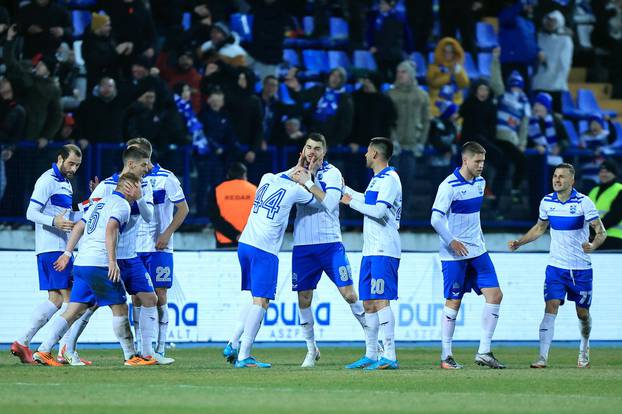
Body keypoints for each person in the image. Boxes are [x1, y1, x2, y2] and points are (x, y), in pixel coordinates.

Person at [32, 173, 157, 367]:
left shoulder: (99, 203)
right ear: (129, 187)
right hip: (99, 264)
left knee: (74, 309)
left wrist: (67, 253)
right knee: (120, 307)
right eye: (138, 187)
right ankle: (131, 357)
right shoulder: (122, 205)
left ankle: (44, 349)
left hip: (82, 262)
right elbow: (111, 229)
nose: (140, 191)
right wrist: (112, 261)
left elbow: (79, 226)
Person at [508, 163, 607, 368]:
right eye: (555, 175)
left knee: (582, 314)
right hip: (556, 267)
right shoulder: (547, 202)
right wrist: (520, 242)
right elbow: (539, 228)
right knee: (550, 306)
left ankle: (584, 348)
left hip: (581, 269)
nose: (557, 179)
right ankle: (542, 357)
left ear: (572, 180)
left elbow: (601, 231)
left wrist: (593, 245)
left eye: (562, 176)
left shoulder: (583, 203)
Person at [290, 133, 369, 368]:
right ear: (303, 151)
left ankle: (373, 342)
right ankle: (311, 349)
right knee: (304, 298)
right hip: (303, 246)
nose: (311, 152)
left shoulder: (332, 173)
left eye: (316, 148)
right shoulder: (295, 172)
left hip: (330, 244)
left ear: (324, 152)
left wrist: (308, 181)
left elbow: (331, 202)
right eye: (308, 147)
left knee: (349, 294)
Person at [430, 141, 506, 370]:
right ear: (465, 160)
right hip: (454, 255)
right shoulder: (449, 186)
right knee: (454, 301)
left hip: (478, 251)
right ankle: (446, 356)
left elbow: (474, 218)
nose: (481, 165)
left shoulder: (481, 183)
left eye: (483, 161)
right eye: (477, 161)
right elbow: (435, 219)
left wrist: (478, 240)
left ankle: (484, 351)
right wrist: (452, 240)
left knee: (495, 295)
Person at [232, 166, 316, 368]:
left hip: (245, 244)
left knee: (254, 298)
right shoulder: (296, 190)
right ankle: (244, 355)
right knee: (261, 301)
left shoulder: (266, 176)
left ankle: (233, 342)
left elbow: (286, 174)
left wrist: (296, 169)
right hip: (264, 248)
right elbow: (319, 202)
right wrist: (309, 181)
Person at [86, 147, 160, 362]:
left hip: (131, 256)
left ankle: (147, 353)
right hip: (107, 257)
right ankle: (66, 347)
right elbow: (89, 217)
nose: (148, 168)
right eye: (145, 164)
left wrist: (139, 198)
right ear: (131, 164)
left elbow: (149, 217)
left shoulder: (144, 186)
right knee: (88, 304)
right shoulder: (106, 186)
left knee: (149, 298)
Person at [10, 144, 81, 364]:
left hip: (52, 248)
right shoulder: (47, 180)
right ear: (59, 159)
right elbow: (30, 212)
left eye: (77, 165)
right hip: (53, 249)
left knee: (56, 299)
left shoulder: (65, 184)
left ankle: (22, 342)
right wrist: (54, 222)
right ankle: (61, 352)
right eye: (70, 163)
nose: (73, 168)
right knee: (73, 300)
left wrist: (93, 200)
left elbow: (69, 215)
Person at [340, 137, 402, 370]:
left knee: (380, 300)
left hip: (385, 249)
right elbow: (366, 200)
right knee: (368, 303)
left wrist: (349, 202)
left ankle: (391, 355)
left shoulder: (390, 179)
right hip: (371, 249)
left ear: (375, 154)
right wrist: (344, 189)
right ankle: (372, 354)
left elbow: (377, 211)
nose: (365, 155)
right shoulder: (378, 180)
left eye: (367, 151)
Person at [131, 138, 189, 363]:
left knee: (160, 294)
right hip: (135, 247)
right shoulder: (131, 179)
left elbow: (183, 209)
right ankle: (139, 346)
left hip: (160, 249)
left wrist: (167, 234)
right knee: (137, 297)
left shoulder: (167, 178)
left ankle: (161, 345)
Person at [208, 162, 257, 248]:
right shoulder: (255, 190)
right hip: (249, 241)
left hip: (224, 240)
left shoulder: (217, 190)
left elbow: (215, 218)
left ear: (228, 175)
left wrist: (236, 235)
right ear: (244, 175)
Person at [426, 37, 470, 116]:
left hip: (455, 101)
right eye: (445, 52)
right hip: (437, 101)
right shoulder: (434, 68)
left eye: (451, 52)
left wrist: (458, 71)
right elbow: (433, 83)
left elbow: (464, 84)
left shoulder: (458, 67)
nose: (448, 54)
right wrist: (448, 76)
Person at [588, 161, 622, 250]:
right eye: (601, 171)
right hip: (594, 238)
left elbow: (615, 216)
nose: (603, 174)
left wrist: (594, 230)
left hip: (614, 238)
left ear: (614, 174)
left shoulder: (619, 189)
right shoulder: (594, 190)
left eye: (607, 171)